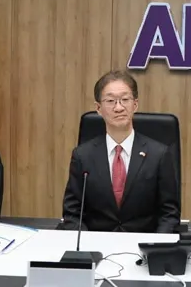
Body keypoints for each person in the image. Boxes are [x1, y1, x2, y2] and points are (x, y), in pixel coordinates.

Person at [58, 70, 180, 233]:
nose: (118, 107)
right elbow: (72, 214)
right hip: (96, 244)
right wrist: (88, 245)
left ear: (135, 105)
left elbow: (169, 214)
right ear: (98, 108)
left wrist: (155, 245)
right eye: (110, 101)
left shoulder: (159, 155)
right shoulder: (82, 156)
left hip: (143, 244)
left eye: (125, 100)